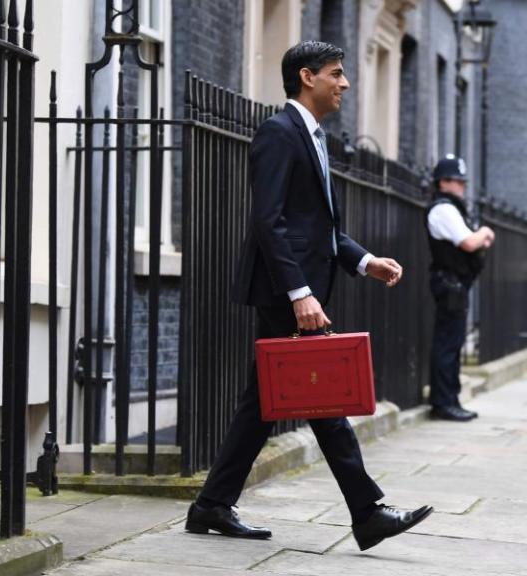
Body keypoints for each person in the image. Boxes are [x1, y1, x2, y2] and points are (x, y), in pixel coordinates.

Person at [185, 41, 433, 552]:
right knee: (323, 396)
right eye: (336, 74)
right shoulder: (279, 133)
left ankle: (211, 504)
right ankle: (367, 512)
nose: (344, 84)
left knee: (264, 405)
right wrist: (299, 292)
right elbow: (268, 221)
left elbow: (320, 228)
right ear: (307, 77)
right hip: (286, 291)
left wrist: (366, 261)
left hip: (299, 287)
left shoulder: (316, 137)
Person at [425, 155, 495, 422]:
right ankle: (443, 402)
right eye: (458, 181)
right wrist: (485, 233)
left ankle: (450, 399)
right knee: (447, 344)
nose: (462, 186)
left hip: (454, 283)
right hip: (449, 283)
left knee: (453, 343)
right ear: (443, 182)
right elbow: (467, 242)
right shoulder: (443, 209)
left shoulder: (450, 207)